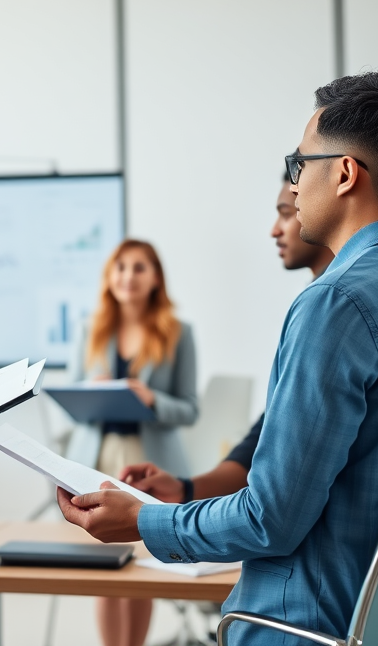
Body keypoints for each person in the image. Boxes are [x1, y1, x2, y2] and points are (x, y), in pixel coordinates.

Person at [58, 71, 378, 646]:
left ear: (344, 173)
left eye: (298, 165)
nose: (293, 184)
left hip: (304, 625)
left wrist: (141, 521)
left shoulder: (334, 302)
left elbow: (271, 518)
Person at [124, 172, 335, 503]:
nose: (274, 230)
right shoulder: (315, 300)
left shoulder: (330, 305)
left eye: (285, 212)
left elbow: (279, 497)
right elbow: (267, 432)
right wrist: (186, 490)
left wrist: (171, 523)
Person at [65, 238, 197, 646]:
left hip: (148, 461)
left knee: (140, 561)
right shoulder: (90, 329)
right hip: (98, 456)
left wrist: (151, 398)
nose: (128, 276)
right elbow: (70, 401)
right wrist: (91, 391)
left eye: (140, 267)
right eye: (120, 267)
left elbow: (190, 409)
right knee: (105, 562)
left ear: (156, 277)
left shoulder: (178, 333)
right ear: (110, 276)